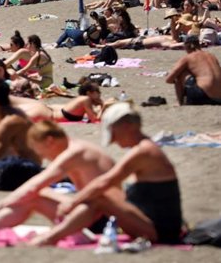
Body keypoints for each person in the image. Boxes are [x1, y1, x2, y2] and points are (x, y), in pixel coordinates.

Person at [34, 103, 183, 245]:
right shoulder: (146, 147)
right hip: (159, 224)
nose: (114, 141)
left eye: (114, 134)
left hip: (161, 233)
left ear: (127, 127)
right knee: (100, 194)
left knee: (99, 196)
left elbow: (105, 181)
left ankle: (51, 238)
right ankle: (62, 233)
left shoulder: (143, 151)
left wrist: (73, 202)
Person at [0, 120, 117, 239]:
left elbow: (40, 181)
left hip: (102, 220)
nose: (44, 157)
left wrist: (9, 200)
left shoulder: (74, 153)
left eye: (41, 152)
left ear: (50, 141)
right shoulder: (78, 146)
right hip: (98, 211)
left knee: (33, 197)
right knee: (36, 194)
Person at [166, 35, 221, 105]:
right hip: (218, 99)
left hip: (203, 96)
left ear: (189, 46)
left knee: (180, 73)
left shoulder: (188, 58)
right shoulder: (212, 56)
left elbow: (169, 79)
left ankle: (179, 103)